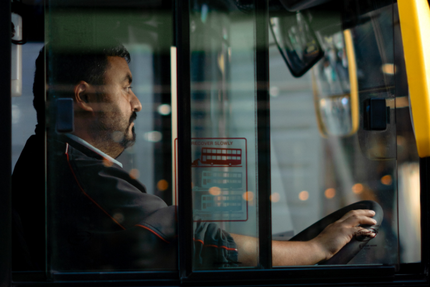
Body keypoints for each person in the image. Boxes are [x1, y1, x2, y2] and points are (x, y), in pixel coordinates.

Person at [12, 42, 376, 271]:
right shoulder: (77, 175)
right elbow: (192, 240)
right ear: (84, 98)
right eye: (125, 87)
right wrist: (314, 249)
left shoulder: (56, 162)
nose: (137, 103)